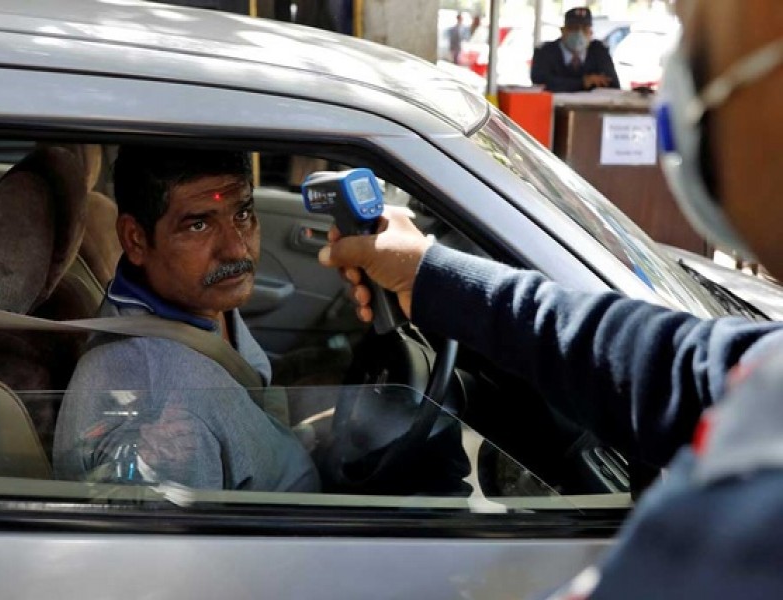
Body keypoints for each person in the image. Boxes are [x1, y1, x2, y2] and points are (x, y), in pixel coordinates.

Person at [319, 0, 783, 594]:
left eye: (695, 26)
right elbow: (675, 366)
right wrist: (427, 276)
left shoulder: (743, 536)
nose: (683, 73)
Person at [53, 145, 319, 492]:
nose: (236, 249)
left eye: (242, 214)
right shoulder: (168, 419)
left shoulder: (195, 301)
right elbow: (196, 543)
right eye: (198, 224)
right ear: (135, 239)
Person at [531, 7, 620, 92]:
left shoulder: (599, 51)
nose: (579, 34)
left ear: (591, 33)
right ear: (563, 30)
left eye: (584, 29)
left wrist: (564, 84)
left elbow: (613, 84)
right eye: (573, 28)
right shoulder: (545, 52)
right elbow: (540, 83)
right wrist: (583, 82)